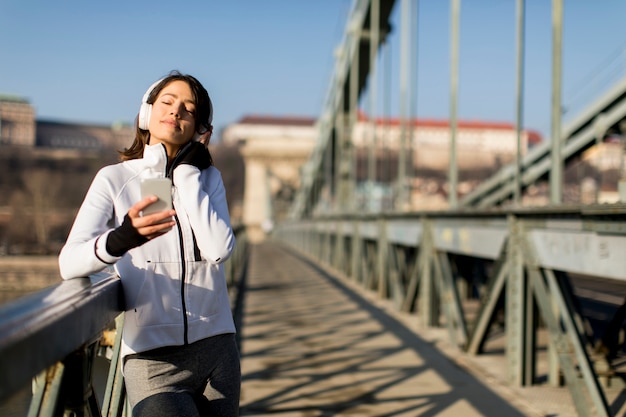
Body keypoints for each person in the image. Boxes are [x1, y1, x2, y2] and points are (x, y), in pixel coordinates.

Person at [58, 70, 240, 416]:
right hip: (151, 359)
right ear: (147, 113)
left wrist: (187, 175)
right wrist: (121, 239)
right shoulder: (114, 179)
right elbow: (68, 263)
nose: (177, 112)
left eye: (189, 109)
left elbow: (219, 250)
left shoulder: (208, 180)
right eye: (168, 102)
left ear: (201, 129)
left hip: (218, 352)